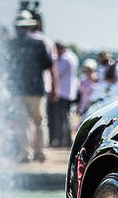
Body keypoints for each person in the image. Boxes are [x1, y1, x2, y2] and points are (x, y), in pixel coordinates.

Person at [10, 9, 53, 162]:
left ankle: (25, 152)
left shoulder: (11, 44)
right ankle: (40, 152)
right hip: (36, 89)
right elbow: (48, 64)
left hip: (18, 89)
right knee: (40, 121)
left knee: (22, 123)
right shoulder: (38, 43)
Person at [49, 41, 78, 146]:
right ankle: (65, 140)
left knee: (61, 118)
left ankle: (63, 141)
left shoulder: (65, 59)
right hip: (68, 92)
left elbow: (56, 72)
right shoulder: (72, 56)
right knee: (65, 117)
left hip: (62, 92)